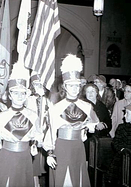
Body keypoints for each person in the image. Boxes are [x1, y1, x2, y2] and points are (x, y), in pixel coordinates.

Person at [43, 54, 99, 187]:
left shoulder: (86, 106)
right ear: (65, 87)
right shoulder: (56, 108)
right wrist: (50, 153)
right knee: (63, 179)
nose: (74, 88)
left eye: (77, 85)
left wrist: (86, 128)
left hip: (78, 147)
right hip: (62, 146)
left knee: (77, 179)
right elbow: (50, 132)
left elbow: (94, 122)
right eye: (71, 85)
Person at [0, 62, 42, 187]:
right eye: (15, 93)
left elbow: (38, 134)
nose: (19, 96)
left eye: (22, 93)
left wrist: (35, 144)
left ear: (26, 94)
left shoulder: (33, 115)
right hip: (7, 156)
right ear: (10, 95)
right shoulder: (1, 117)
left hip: (25, 157)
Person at [26, 71, 52, 186]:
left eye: (40, 83)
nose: (38, 86)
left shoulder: (48, 100)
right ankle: (35, 183)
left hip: (45, 131)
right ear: (32, 86)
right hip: (32, 132)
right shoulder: (28, 99)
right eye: (36, 84)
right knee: (33, 161)